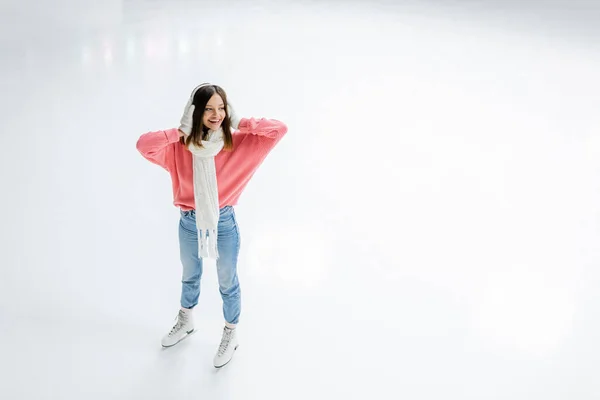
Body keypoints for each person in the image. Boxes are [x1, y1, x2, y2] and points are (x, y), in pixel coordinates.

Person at [136, 83, 288, 368]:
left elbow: (278, 129)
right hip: (189, 222)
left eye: (221, 107)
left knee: (227, 281)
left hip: (224, 222)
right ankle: (186, 320)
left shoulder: (240, 143)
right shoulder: (180, 147)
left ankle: (231, 334)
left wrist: (240, 121)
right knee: (190, 274)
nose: (216, 114)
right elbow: (144, 145)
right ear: (194, 112)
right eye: (208, 108)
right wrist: (179, 131)